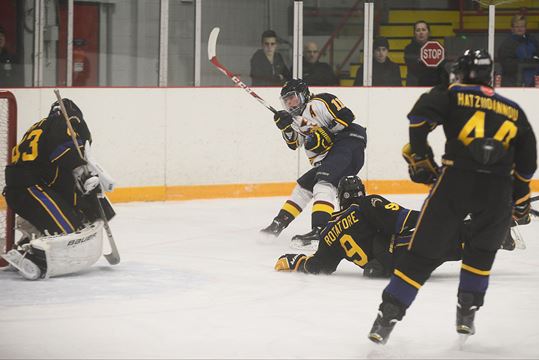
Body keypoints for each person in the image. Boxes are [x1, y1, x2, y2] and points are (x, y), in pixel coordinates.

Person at [366, 49, 537, 345]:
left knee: (420, 254)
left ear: (461, 71)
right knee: (481, 253)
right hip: (497, 189)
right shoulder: (512, 109)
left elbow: (419, 117)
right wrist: (520, 200)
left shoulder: (451, 93)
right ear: (489, 74)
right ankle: (467, 310)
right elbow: (527, 163)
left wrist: (420, 157)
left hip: (456, 180)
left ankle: (387, 315)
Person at [274, 175, 519, 277]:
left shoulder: (329, 230)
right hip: (395, 253)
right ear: (361, 193)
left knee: (442, 247)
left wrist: (296, 261)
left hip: (382, 269)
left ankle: (491, 236)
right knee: (441, 237)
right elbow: (401, 219)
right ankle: (494, 235)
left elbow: (320, 266)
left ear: (340, 198)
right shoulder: (366, 204)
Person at [2, 98, 116, 280]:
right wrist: (80, 170)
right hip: (31, 190)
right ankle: (32, 257)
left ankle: (28, 242)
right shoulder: (62, 126)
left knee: (72, 221)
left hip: (24, 189)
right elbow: (65, 153)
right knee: (71, 231)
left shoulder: (41, 125)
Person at [260, 79, 367, 249]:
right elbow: (294, 144)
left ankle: (320, 232)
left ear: (303, 94)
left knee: (324, 183)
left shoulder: (319, 102)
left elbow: (347, 116)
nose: (289, 103)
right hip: (333, 157)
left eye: (292, 97)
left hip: (349, 143)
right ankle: (277, 224)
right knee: (303, 188)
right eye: (285, 101)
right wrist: (285, 126)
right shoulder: (295, 119)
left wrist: (325, 133)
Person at [498, 14, 539, 87]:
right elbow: (507, 64)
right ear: (512, 28)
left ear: (525, 27)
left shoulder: (533, 41)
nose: (520, 29)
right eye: (517, 26)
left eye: (522, 26)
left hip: (532, 84)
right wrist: (527, 62)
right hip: (513, 84)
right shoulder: (507, 44)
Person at [404, 20, 446, 86]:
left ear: (428, 32)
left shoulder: (437, 47)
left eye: (423, 30)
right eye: (418, 30)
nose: (421, 32)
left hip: (434, 85)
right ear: (414, 33)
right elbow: (414, 68)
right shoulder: (409, 49)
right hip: (415, 85)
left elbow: (441, 67)